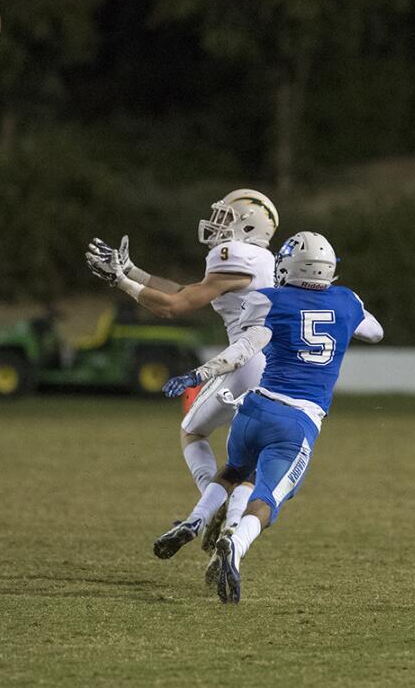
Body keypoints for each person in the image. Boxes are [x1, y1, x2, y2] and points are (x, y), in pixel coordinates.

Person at [150, 231, 384, 603]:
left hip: (254, 408)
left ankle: (195, 520)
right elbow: (375, 332)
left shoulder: (269, 299)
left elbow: (243, 350)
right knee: (266, 502)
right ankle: (235, 547)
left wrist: (198, 375)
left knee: (232, 471)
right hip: (298, 421)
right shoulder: (348, 301)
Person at [86, 189, 279, 555]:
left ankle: (212, 505)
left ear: (249, 225)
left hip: (246, 362)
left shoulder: (237, 254)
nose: (217, 223)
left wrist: (120, 282)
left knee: (192, 431)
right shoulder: (260, 261)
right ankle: (232, 529)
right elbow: (185, 290)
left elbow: (174, 306)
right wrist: (132, 270)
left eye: (227, 217)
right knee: (249, 464)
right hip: (274, 368)